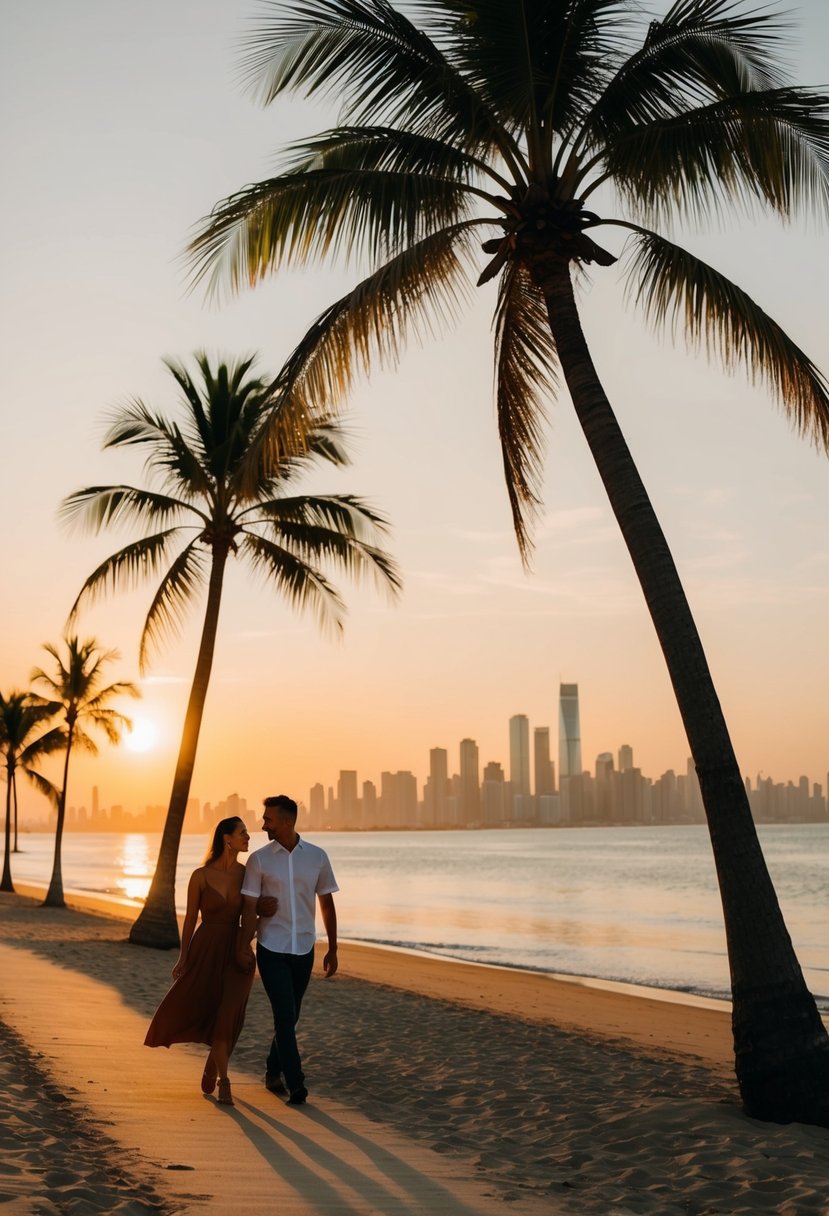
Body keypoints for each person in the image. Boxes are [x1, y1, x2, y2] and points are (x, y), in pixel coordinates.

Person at [144, 816, 274, 1107]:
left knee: (230, 1014)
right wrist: (184, 957)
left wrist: (256, 928)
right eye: (242, 833)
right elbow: (190, 919)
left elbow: (252, 913)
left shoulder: (248, 874)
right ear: (226, 839)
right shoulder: (200, 876)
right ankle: (215, 1068)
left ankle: (222, 1078)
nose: (248, 837)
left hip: (238, 950)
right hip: (206, 948)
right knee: (210, 1009)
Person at [238, 794, 339, 1105]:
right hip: (271, 947)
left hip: (304, 947)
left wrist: (333, 948)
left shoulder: (317, 857)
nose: (263, 824)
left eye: (268, 819)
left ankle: (271, 1071)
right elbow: (247, 906)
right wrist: (257, 914)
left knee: (290, 1017)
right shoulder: (259, 859)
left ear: (287, 821)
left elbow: (326, 902)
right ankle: (296, 1084)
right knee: (284, 1014)